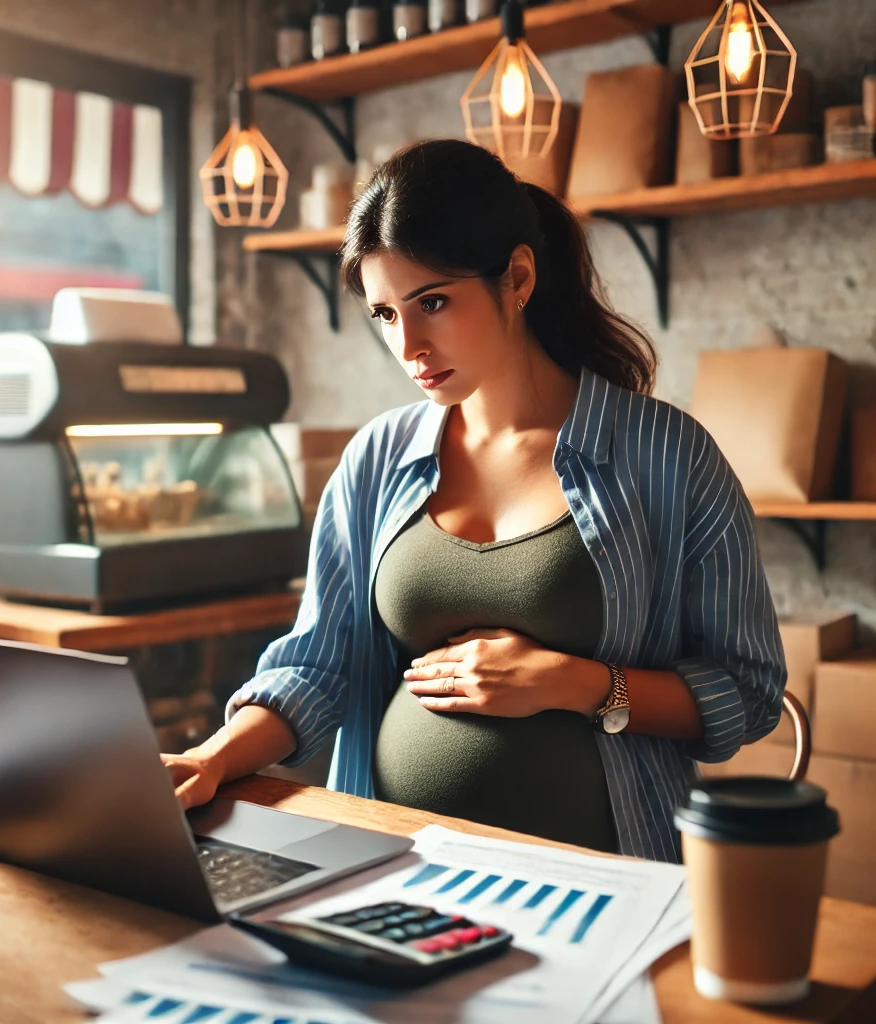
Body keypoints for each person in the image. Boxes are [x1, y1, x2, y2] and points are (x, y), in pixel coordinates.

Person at [163, 138, 786, 863]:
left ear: (517, 278)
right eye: (386, 315)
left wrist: (574, 683)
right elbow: (316, 668)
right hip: (384, 868)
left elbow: (747, 691)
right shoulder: (375, 461)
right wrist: (213, 755)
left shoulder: (666, 458)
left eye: (433, 302)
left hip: (600, 878)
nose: (410, 346)